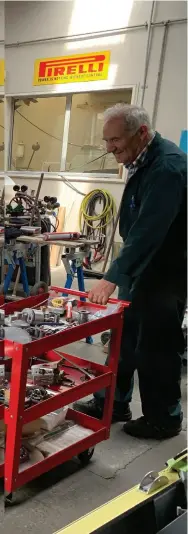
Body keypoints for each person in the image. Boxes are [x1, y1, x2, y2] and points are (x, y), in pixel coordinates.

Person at [75, 104, 187, 440]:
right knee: (122, 340)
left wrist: (112, 276)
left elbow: (148, 231)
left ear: (140, 133)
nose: (109, 148)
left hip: (163, 273)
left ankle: (163, 419)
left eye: (115, 140)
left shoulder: (167, 167)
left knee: (156, 348)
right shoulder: (142, 159)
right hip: (139, 269)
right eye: (106, 141)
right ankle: (114, 404)